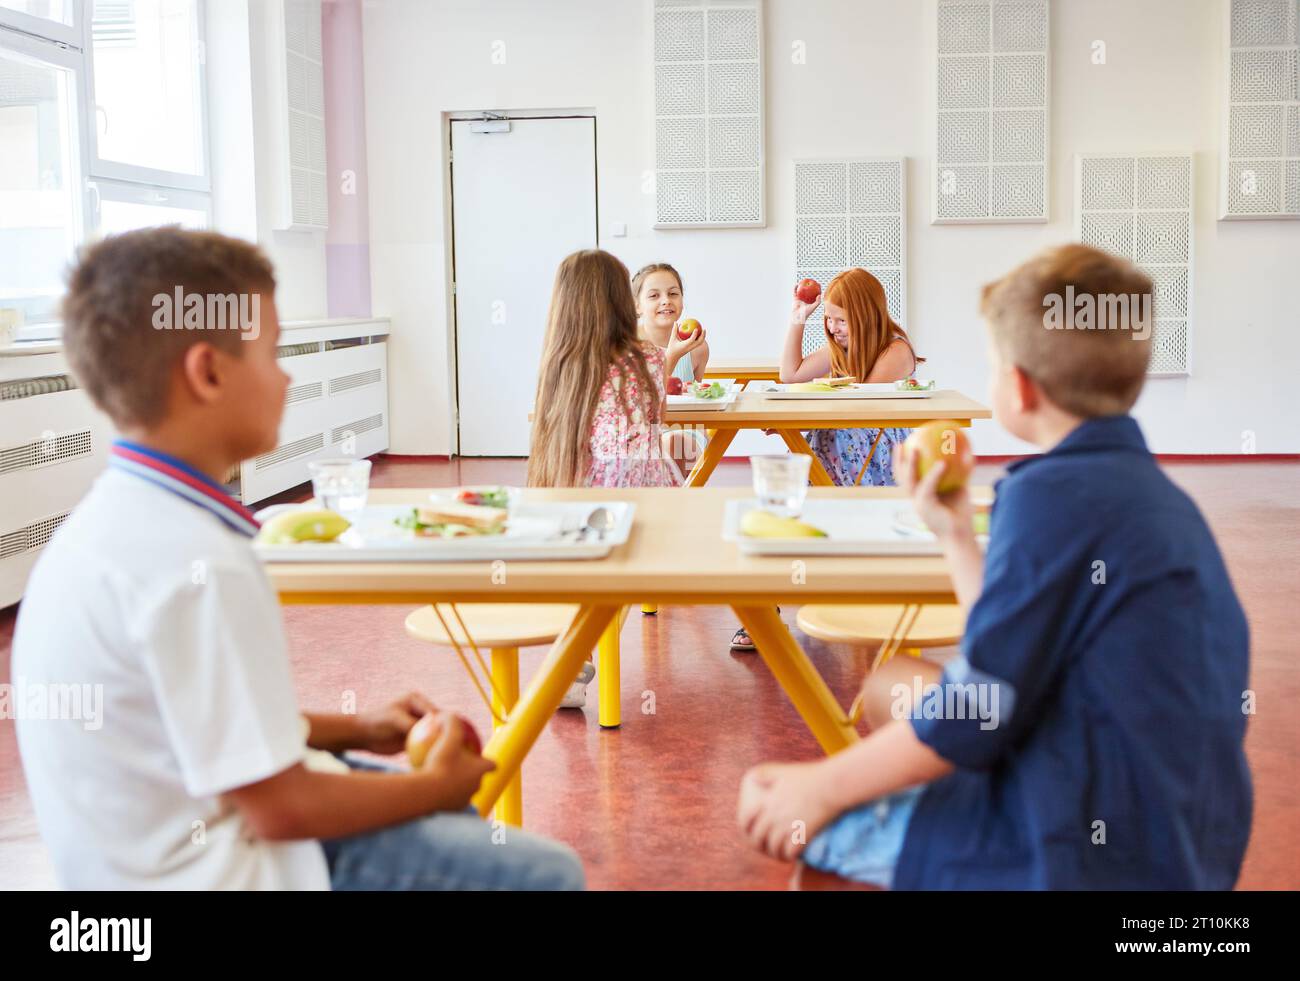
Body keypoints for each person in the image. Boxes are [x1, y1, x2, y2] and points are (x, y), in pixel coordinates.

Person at [13, 228, 584, 890]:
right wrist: (434, 788)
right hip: (233, 869)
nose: (286, 375)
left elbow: (204, 725)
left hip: (142, 859)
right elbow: (282, 808)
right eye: (274, 352)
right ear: (209, 371)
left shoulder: (113, 525)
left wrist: (359, 726)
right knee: (545, 871)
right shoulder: (199, 561)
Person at [737, 243, 1252, 889]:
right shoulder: (1160, 499)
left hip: (1090, 845)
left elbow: (981, 709)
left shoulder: (1047, 495)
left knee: (815, 836)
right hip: (1191, 837)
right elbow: (1007, 655)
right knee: (888, 682)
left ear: (1019, 385)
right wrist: (955, 533)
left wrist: (819, 786)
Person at [528, 249, 704, 706]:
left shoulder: (559, 361)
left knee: (592, 582)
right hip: (647, 493)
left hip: (584, 493)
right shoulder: (647, 356)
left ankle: (574, 668)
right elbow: (657, 420)